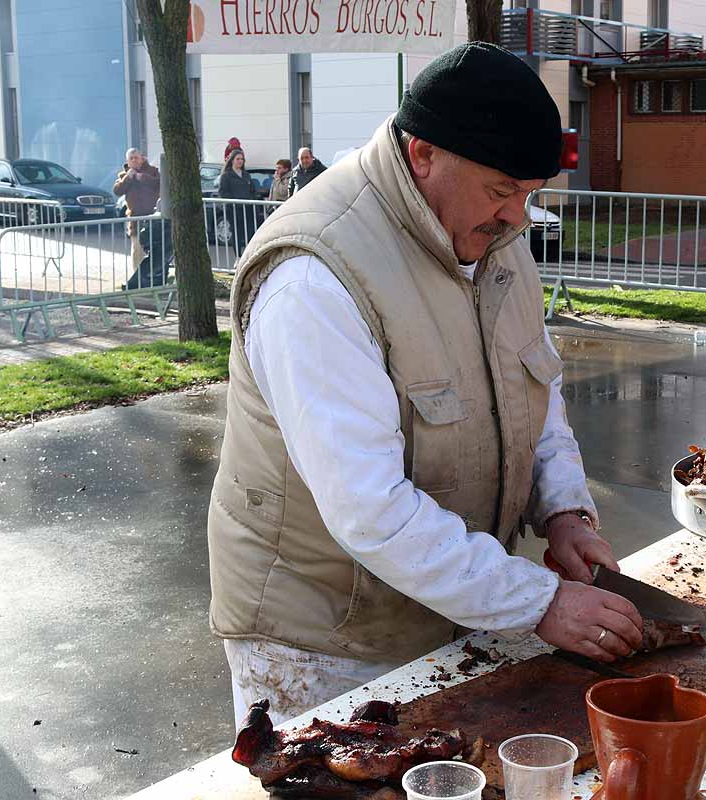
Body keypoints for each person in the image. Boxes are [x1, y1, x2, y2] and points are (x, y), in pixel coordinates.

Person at [207, 42, 643, 728]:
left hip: (447, 614)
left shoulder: (491, 235)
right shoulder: (316, 275)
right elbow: (369, 510)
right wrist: (539, 603)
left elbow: (535, 387)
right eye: (502, 192)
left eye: (529, 197)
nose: (516, 218)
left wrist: (563, 512)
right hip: (324, 647)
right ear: (423, 156)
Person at [112, 148, 161, 269]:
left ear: (142, 158)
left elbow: (159, 184)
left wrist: (141, 177)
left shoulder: (153, 171)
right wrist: (128, 178)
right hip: (135, 218)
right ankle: (137, 279)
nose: (134, 160)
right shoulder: (124, 175)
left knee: (156, 249)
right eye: (131, 158)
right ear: (127, 162)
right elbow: (117, 191)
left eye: (136, 157)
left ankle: (154, 277)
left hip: (153, 216)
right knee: (137, 249)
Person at [217, 148, 258, 254]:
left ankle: (249, 255)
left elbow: (252, 191)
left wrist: (252, 200)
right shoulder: (226, 175)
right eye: (238, 159)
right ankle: (238, 256)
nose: (240, 161)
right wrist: (234, 201)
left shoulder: (246, 175)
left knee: (250, 232)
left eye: (242, 159)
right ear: (232, 160)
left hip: (248, 208)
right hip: (234, 209)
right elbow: (223, 192)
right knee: (237, 233)